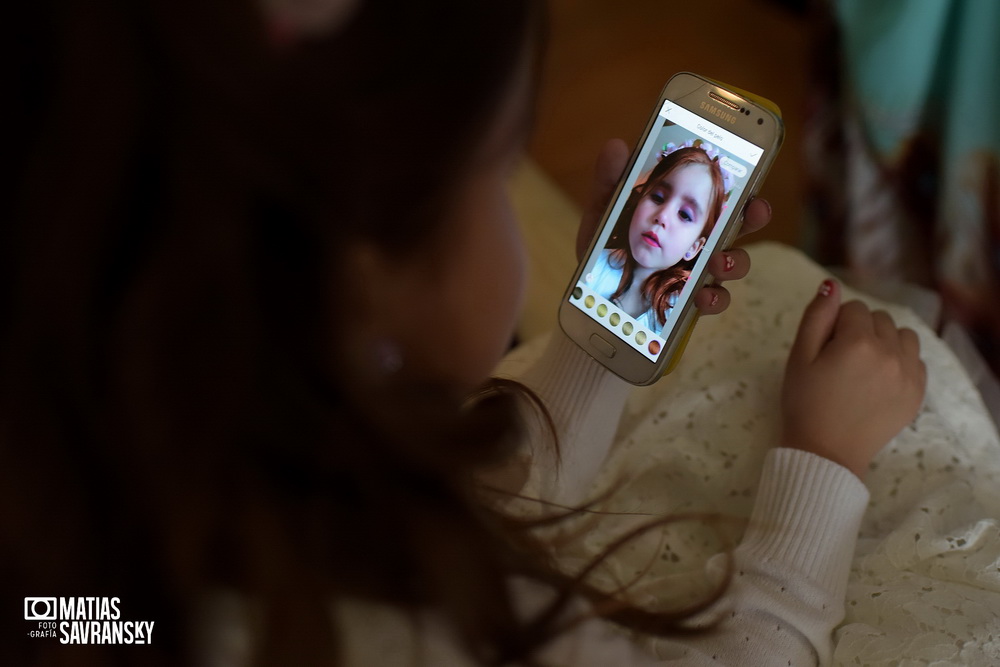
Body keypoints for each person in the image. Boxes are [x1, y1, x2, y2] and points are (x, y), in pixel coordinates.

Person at [2, 1, 925, 665]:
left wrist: (598, 352)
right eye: (500, 167)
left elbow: (492, 498)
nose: (654, 214)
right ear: (361, 257)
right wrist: (823, 461)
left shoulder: (78, 587)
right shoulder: (436, 630)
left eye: (682, 207)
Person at [586, 145, 726, 334]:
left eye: (684, 215)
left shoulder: (680, 309)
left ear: (694, 247)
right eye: (658, 198)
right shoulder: (595, 263)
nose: (663, 216)